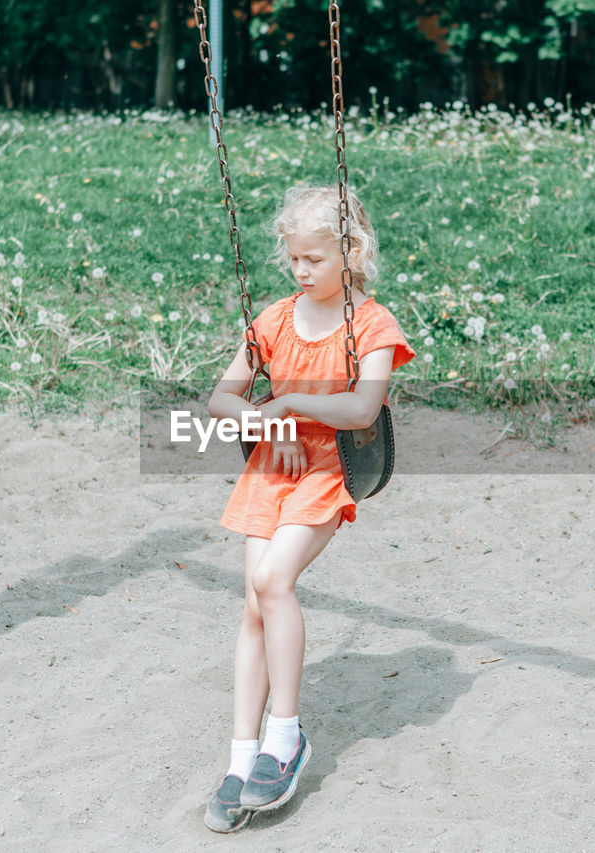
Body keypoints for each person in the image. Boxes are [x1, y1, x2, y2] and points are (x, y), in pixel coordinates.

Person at [203, 184, 415, 832]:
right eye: (294, 258)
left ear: (351, 252)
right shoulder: (272, 319)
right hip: (274, 468)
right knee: (252, 603)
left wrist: (291, 404)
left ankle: (286, 735)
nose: (300, 271)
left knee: (273, 580)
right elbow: (221, 399)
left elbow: (360, 409)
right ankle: (244, 756)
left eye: (314, 260)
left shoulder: (371, 326)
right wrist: (267, 423)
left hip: (329, 469)